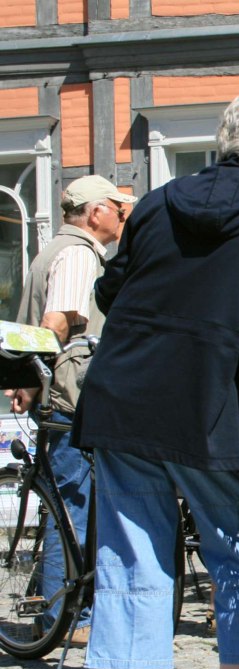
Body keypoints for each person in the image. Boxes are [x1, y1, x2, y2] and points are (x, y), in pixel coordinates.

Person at [72, 86, 239, 669]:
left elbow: (112, 290)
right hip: (213, 403)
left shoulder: (157, 202)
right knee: (237, 551)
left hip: (127, 396)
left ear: (224, 136)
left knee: (135, 551)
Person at [11, 175, 137, 645]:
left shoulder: (51, 249)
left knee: (63, 505)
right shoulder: (80, 255)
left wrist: (28, 380)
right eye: (116, 208)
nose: (122, 216)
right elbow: (54, 323)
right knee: (72, 508)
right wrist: (47, 377)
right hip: (72, 399)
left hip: (55, 395)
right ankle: (64, 618)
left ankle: (58, 611)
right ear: (95, 212)